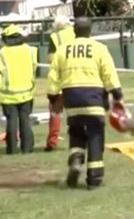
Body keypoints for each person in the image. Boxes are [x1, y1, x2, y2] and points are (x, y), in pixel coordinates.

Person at [47, 17, 124, 189]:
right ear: (90, 31)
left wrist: (53, 97)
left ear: (74, 31)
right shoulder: (99, 49)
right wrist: (116, 93)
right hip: (93, 97)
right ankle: (94, 178)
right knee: (95, 135)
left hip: (72, 99)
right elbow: (108, 73)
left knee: (76, 132)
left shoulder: (62, 50)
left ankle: (76, 159)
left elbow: (53, 76)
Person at [0, 25, 38, 154]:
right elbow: (34, 67)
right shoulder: (31, 50)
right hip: (27, 91)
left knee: (11, 121)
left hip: (8, 93)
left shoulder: (1, 53)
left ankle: (12, 148)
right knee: (25, 119)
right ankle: (27, 148)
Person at [45, 15, 75, 151]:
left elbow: (51, 59)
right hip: (78, 79)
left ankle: (52, 142)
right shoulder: (79, 33)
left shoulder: (55, 37)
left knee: (55, 113)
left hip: (60, 80)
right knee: (77, 113)